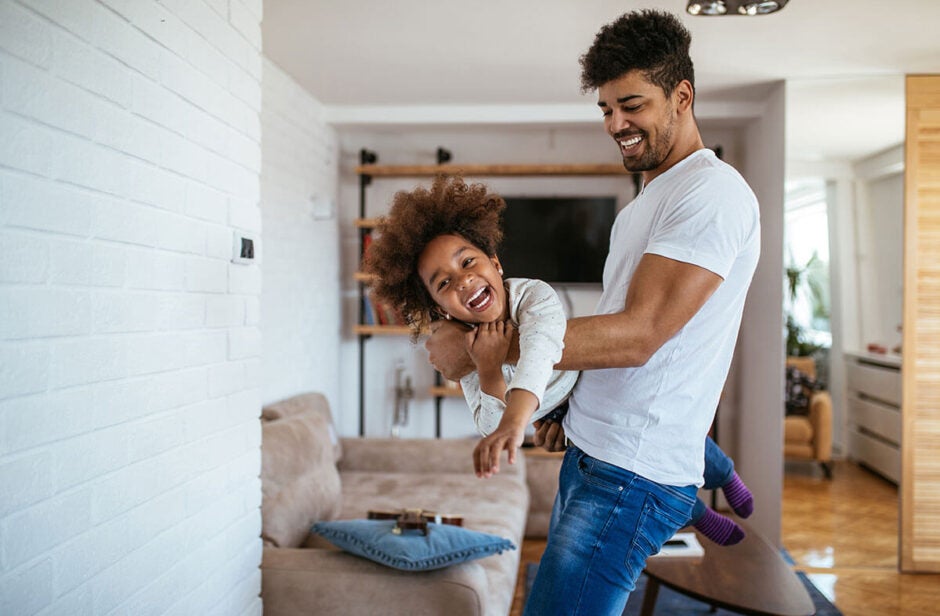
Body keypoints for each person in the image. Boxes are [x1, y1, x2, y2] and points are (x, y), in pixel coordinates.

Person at [425, 9, 761, 614]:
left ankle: (718, 485)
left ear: (682, 96)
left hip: (632, 471)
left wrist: (489, 352)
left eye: (631, 105)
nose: (616, 124)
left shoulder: (711, 193)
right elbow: (613, 344)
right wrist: (566, 405)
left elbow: (640, 334)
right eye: (606, 109)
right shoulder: (644, 204)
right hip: (596, 450)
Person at [365, 174, 754, 546]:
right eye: (444, 283)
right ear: (438, 308)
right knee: (645, 473)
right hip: (560, 418)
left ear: (496, 263)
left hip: (589, 384)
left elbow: (540, 350)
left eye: (468, 263)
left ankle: (728, 476)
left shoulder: (534, 297)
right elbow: (487, 423)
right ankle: (701, 517)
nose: (463, 281)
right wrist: (485, 369)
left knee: (670, 435)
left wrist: (515, 421)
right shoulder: (468, 348)